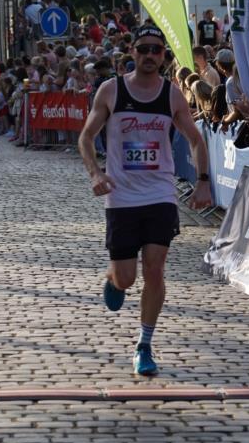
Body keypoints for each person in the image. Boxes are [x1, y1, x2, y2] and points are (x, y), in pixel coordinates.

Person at [78, 24, 212, 377]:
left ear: (163, 56)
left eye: (157, 50)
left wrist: (202, 182)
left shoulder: (171, 95)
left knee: (155, 267)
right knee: (127, 279)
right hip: (121, 197)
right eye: (144, 49)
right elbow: (86, 137)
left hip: (159, 194)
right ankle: (114, 279)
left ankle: (144, 344)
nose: (150, 56)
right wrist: (96, 173)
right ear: (132, 53)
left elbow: (197, 140)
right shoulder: (112, 91)